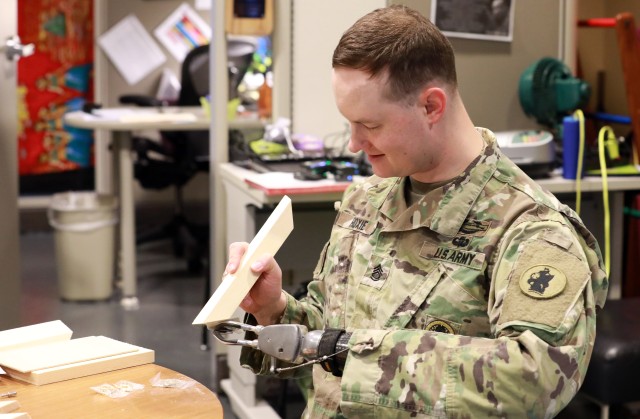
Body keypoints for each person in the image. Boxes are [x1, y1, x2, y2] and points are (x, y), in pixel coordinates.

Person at [225, 5, 608, 418]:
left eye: (370, 125)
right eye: (349, 123)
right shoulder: (366, 200)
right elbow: (324, 331)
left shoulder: (531, 231)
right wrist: (274, 308)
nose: (354, 143)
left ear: (431, 106)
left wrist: (348, 353)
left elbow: (534, 381)